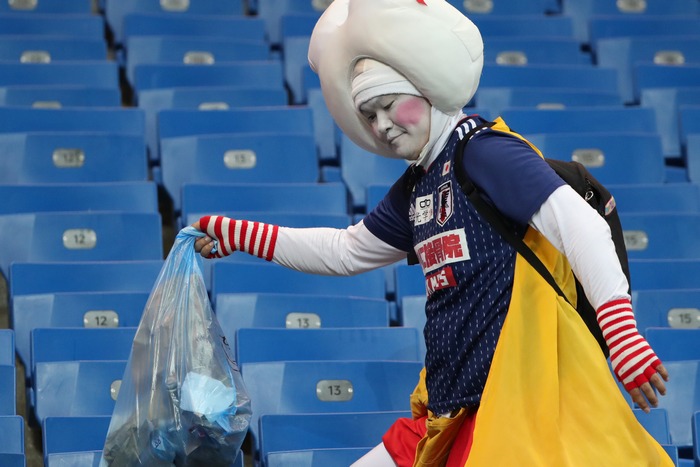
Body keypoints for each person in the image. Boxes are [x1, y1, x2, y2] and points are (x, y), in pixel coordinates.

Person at [193, 0, 672, 465]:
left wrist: (622, 332)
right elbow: (346, 251)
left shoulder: (485, 152)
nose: (382, 126)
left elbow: (580, 222)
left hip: (517, 409)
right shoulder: (418, 184)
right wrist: (241, 234)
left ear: (424, 88)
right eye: (369, 115)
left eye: (388, 106)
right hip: (451, 411)